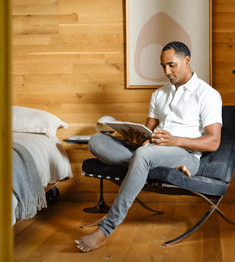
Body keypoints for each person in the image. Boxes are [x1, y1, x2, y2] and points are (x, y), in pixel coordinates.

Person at [75, 41, 223, 252]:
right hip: (152, 151)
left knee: (144, 155)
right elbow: (148, 130)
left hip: (186, 155)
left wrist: (175, 140)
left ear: (187, 60)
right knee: (97, 141)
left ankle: (105, 229)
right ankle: (143, 165)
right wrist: (137, 137)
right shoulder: (159, 94)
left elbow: (213, 141)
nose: (166, 71)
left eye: (171, 65)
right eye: (163, 66)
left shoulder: (207, 94)